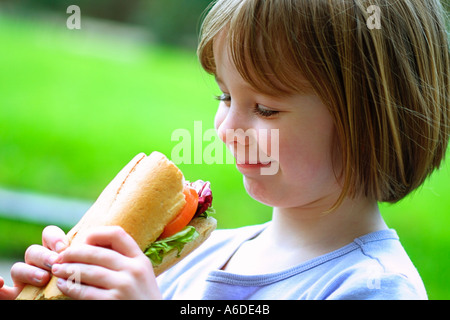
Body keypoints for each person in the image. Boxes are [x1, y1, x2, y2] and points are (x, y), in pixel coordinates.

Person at [1, 0, 448, 299]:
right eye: (225, 98)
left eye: (267, 109)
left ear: (368, 120)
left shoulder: (372, 287)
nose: (227, 128)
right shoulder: (193, 255)